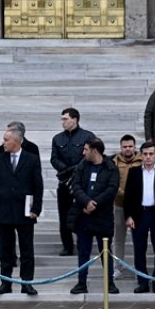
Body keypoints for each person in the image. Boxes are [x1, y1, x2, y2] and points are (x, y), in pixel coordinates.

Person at [0, 124, 43, 296]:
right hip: (3, 211)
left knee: (27, 250)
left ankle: (27, 283)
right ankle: (6, 282)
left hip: (24, 211)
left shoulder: (31, 159)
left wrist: (36, 209)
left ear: (16, 141)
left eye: (6, 140)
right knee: (5, 250)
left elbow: (38, 186)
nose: (3, 143)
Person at [67, 138, 120, 295]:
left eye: (86, 149)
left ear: (94, 151)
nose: (83, 152)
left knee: (105, 251)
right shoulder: (82, 166)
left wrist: (94, 203)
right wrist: (86, 202)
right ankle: (81, 282)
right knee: (83, 251)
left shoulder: (111, 168)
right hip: (83, 216)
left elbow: (111, 189)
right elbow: (75, 186)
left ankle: (109, 282)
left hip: (102, 217)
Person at [123, 142, 155, 293]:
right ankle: (143, 282)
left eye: (151, 154)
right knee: (139, 250)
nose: (148, 157)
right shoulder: (134, 172)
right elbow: (128, 197)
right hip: (140, 215)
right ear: (141, 155)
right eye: (145, 154)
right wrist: (128, 216)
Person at [50, 107, 96, 256]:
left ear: (74, 120)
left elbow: (90, 156)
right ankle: (67, 245)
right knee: (63, 215)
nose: (62, 122)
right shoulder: (57, 138)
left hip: (82, 182)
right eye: (62, 119)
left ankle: (83, 243)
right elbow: (54, 158)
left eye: (65, 119)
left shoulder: (88, 136)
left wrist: (76, 169)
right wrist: (67, 169)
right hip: (64, 181)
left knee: (83, 214)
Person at [111, 135, 142, 278]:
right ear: (121, 147)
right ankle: (117, 267)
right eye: (125, 147)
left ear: (135, 147)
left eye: (130, 146)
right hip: (120, 205)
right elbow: (111, 182)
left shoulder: (142, 161)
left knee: (139, 238)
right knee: (118, 239)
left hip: (138, 207)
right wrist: (122, 193)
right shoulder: (114, 162)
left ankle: (139, 268)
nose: (128, 149)